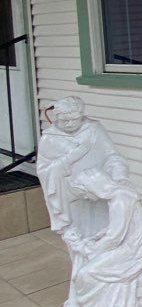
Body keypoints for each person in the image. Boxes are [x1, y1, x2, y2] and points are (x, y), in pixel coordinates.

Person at [62, 167, 142, 307]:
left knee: (87, 273)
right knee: (85, 266)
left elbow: (115, 236)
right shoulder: (120, 194)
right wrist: (94, 239)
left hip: (131, 251)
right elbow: (115, 230)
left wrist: (88, 248)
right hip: (125, 245)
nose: (87, 197)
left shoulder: (120, 199)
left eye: (86, 193)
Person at [37, 95, 131, 249]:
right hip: (72, 198)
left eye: (75, 119)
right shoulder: (50, 139)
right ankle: (85, 268)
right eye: (65, 121)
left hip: (102, 192)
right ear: (57, 118)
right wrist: (67, 160)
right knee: (80, 241)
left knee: (108, 234)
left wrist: (119, 176)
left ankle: (107, 266)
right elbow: (44, 170)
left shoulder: (93, 129)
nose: (71, 124)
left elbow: (112, 156)